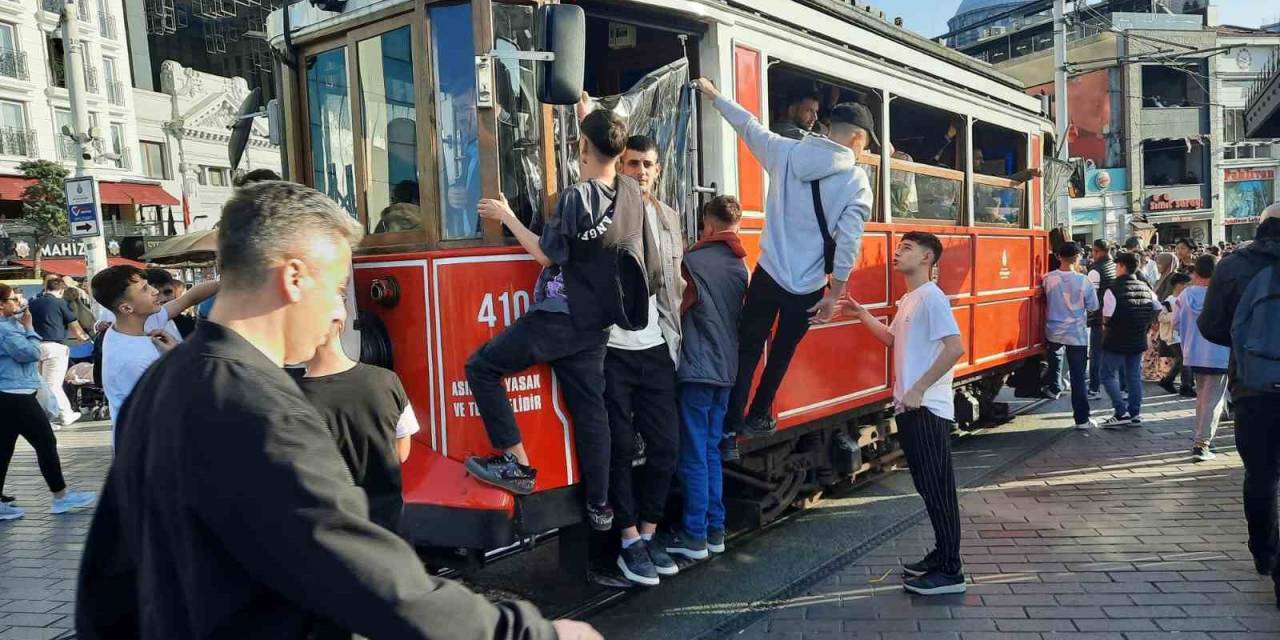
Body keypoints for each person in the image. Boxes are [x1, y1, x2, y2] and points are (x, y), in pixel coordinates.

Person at [76, 181, 596, 640]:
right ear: (294, 278)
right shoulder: (261, 408)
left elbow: (107, 578)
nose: (336, 312)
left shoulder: (163, 382)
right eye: (336, 290)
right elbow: (368, 578)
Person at [463, 109, 659, 532]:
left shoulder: (576, 196)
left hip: (558, 317)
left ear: (582, 147)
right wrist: (591, 116)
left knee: (481, 367)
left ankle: (516, 464)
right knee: (592, 413)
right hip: (597, 324)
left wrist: (507, 217)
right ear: (621, 150)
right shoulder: (629, 192)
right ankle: (600, 505)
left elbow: (547, 255)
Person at [693, 77, 873, 438]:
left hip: (768, 274)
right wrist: (833, 295)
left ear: (829, 129)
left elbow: (748, 126)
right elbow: (849, 245)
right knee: (781, 353)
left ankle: (728, 424)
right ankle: (759, 415)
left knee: (747, 349)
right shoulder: (856, 182)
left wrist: (715, 96)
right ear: (856, 139)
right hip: (806, 288)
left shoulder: (785, 152)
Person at [840, 232, 967, 595]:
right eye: (899, 248)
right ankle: (942, 555)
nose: (898, 253)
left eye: (907, 249)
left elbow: (955, 348)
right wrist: (863, 314)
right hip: (911, 406)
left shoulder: (931, 298)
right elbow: (892, 339)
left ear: (927, 259)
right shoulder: (912, 299)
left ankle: (950, 571)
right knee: (929, 487)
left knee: (938, 488)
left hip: (926, 408)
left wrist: (919, 388)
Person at [602, 134, 686, 585]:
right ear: (619, 165)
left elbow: (672, 285)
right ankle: (630, 540)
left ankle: (650, 534)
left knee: (666, 445)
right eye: (633, 163)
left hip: (654, 346)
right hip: (611, 349)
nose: (642, 171)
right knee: (618, 448)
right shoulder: (603, 208)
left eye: (649, 164)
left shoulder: (668, 215)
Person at [1198, 203, 1280, 593]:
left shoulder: (1232, 266)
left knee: (1261, 474)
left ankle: (1264, 553)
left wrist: (1251, 344)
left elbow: (1211, 327)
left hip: (1254, 386)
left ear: (1260, 227)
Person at [666, 195, 748, 563]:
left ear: (708, 226)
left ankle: (695, 535)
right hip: (726, 371)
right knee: (713, 451)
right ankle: (716, 530)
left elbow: (675, 309)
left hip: (697, 370)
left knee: (694, 454)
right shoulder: (739, 267)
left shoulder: (692, 263)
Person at [298, 319, 420, 532]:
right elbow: (402, 453)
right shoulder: (388, 380)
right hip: (392, 532)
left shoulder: (293, 398)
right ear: (341, 325)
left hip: (336, 536)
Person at [0, 283, 98, 521]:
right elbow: (31, 353)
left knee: (4, 449)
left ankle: (59, 496)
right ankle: (61, 496)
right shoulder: (5, 329)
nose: (20, 302)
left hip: (12, 392)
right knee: (45, 442)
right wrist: (30, 328)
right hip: (16, 394)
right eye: (13, 299)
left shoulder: (9, 325)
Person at [90, 265, 219, 429]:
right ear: (126, 308)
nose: (154, 291)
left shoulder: (135, 324)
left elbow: (189, 299)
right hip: (149, 446)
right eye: (144, 289)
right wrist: (178, 357)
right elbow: (169, 407)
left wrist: (234, 282)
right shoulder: (132, 359)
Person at [1174, 254, 1229, 463]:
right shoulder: (1223, 295)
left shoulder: (1185, 295)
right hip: (1220, 353)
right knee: (1212, 401)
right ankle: (1202, 443)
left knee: (1203, 399)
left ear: (1195, 272)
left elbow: (1176, 323)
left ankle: (1203, 438)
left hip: (1193, 353)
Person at [1098, 252, 1163, 429]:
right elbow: (1158, 307)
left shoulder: (1112, 289)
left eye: (1116, 265)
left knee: (1106, 374)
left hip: (1116, 339)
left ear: (1122, 267)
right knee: (1134, 376)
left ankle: (1120, 411)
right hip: (1138, 337)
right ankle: (1135, 413)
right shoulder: (1145, 288)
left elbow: (1107, 317)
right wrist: (1147, 322)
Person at [1040, 242, 1099, 430]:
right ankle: (1081, 419)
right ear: (1078, 257)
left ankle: (1054, 387)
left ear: (1059, 257)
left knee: (1055, 359)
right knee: (1078, 377)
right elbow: (1093, 306)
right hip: (1076, 334)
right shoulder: (1083, 280)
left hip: (1053, 330)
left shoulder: (1047, 278)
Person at [28, 274, 88, 426]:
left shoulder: (32, 303)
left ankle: (44, 416)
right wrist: (83, 338)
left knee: (41, 384)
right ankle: (65, 414)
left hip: (34, 347)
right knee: (53, 384)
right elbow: (74, 325)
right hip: (55, 348)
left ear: (46, 288)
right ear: (61, 291)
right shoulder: (61, 303)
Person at [1086, 239, 1116, 399]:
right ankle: (1119, 386)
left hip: (1099, 317)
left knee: (1095, 353)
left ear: (1097, 251)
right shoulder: (1114, 266)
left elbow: (1091, 297)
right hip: (1113, 315)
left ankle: (1094, 388)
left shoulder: (1095, 270)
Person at [1156, 272, 1193, 397]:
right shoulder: (1168, 301)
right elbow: (1161, 317)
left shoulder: (1186, 299)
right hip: (1173, 336)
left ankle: (1168, 381)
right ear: (1178, 285)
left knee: (1181, 360)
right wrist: (1176, 315)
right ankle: (1186, 386)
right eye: (1186, 284)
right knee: (1185, 360)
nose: (1188, 287)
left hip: (1183, 335)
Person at [145, 268, 197, 339]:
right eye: (155, 293)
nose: (163, 299)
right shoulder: (134, 330)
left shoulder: (188, 324)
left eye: (168, 292)